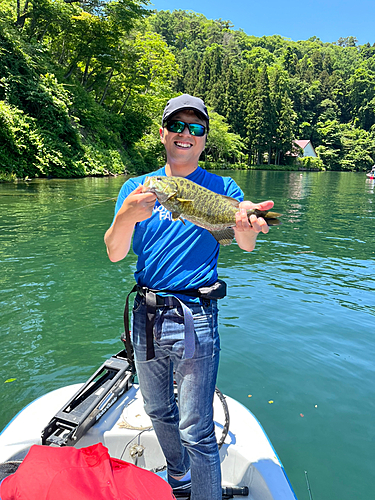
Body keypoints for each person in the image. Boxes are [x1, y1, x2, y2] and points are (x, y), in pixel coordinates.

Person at [104, 94, 274, 500]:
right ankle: (178, 478)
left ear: (203, 140)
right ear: (162, 133)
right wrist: (127, 213)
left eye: (195, 128)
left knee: (196, 429)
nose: (185, 134)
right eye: (177, 126)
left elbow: (243, 243)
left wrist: (249, 223)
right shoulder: (136, 187)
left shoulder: (223, 188)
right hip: (145, 316)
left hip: (195, 316)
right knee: (158, 410)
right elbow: (114, 252)